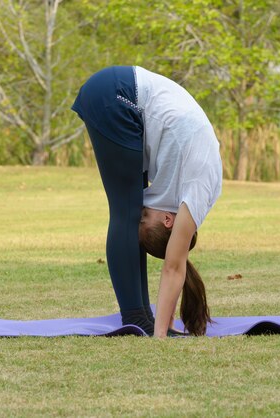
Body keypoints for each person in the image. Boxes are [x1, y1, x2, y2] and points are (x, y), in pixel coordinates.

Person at [72, 66, 222, 338]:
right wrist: (160, 335)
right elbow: (174, 267)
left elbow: (176, 266)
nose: (144, 212)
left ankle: (142, 316)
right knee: (125, 211)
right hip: (118, 95)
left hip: (123, 100)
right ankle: (137, 317)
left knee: (127, 208)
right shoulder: (196, 192)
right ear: (168, 220)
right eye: (145, 219)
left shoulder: (183, 199)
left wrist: (167, 324)